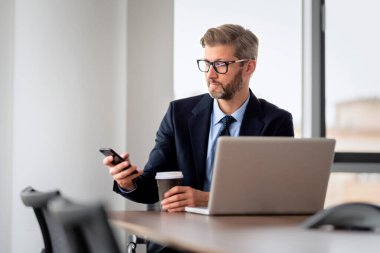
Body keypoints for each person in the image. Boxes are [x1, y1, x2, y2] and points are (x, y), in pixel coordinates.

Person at [104, 23, 293, 245]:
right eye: (207, 64)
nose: (211, 74)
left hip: (244, 240)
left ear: (249, 67)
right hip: (179, 241)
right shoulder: (179, 114)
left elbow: (275, 199)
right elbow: (151, 189)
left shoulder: (275, 121)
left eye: (221, 65)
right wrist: (128, 182)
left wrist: (208, 200)